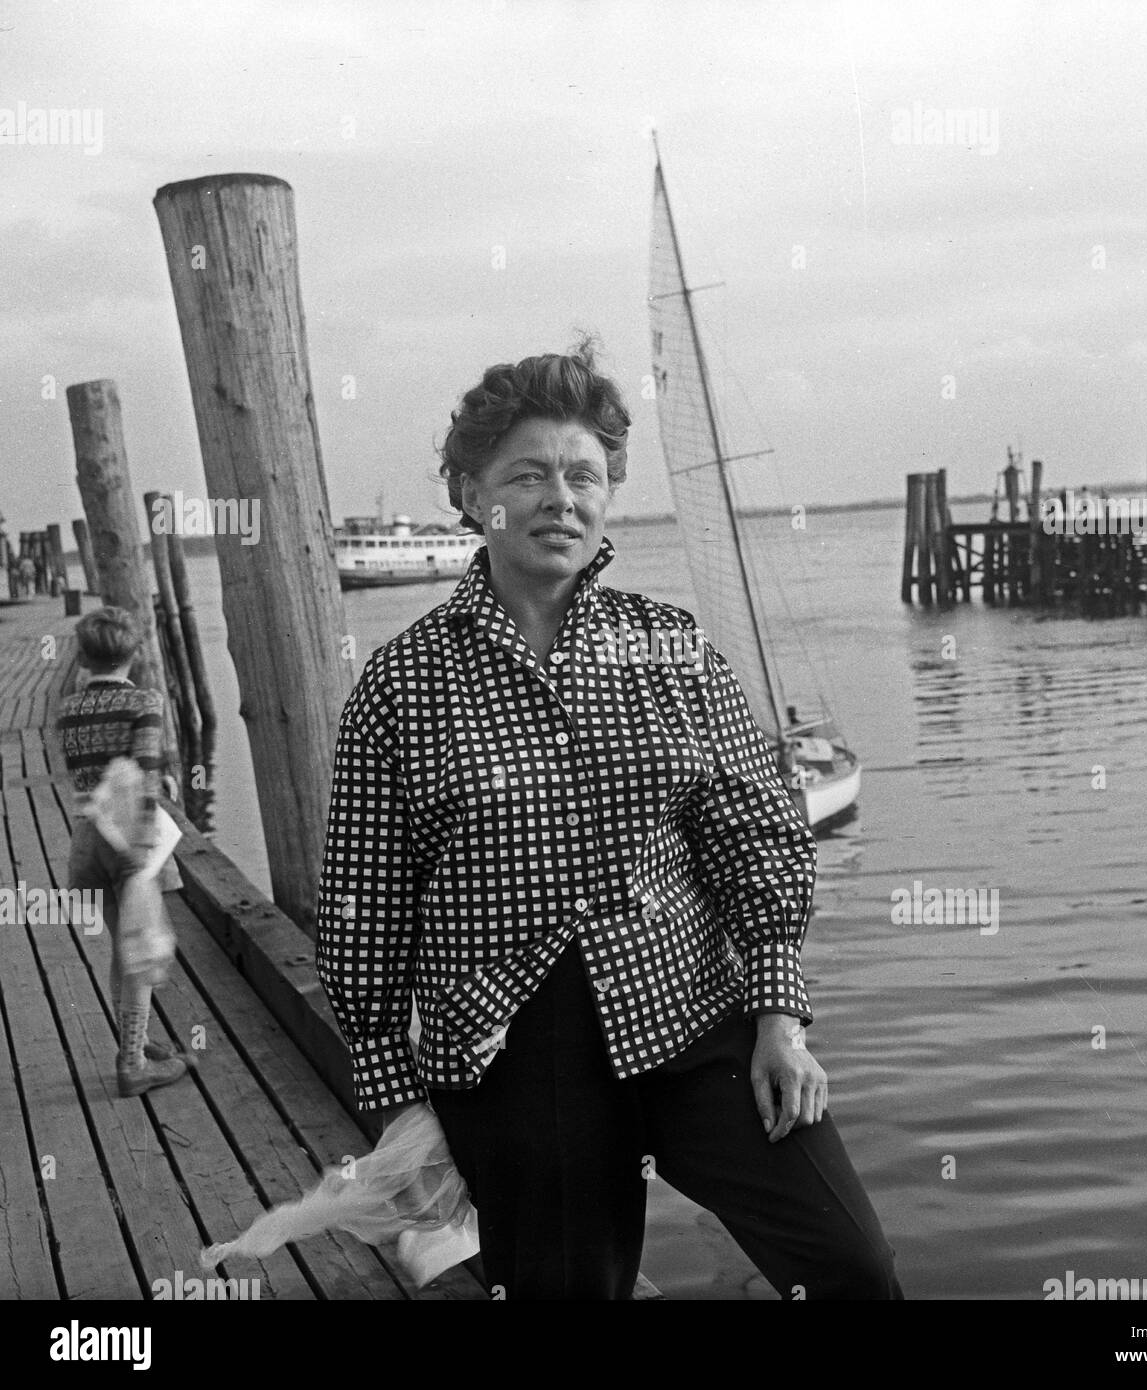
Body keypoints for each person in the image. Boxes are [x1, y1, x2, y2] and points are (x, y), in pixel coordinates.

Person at [316, 344, 903, 1300]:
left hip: (693, 1011)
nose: (561, 497)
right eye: (529, 474)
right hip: (512, 1056)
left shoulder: (674, 647)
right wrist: (397, 1102)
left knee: (853, 1267)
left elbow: (758, 838)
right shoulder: (400, 686)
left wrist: (779, 1018)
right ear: (473, 496)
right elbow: (360, 914)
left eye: (584, 475)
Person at [58, 607, 188, 1097]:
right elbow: (146, 773)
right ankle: (132, 1064)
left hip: (87, 838)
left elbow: (88, 777)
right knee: (140, 952)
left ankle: (137, 1041)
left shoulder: (68, 708)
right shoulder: (146, 701)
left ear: (84, 657)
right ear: (135, 653)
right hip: (128, 836)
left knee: (121, 945)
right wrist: (142, 842)